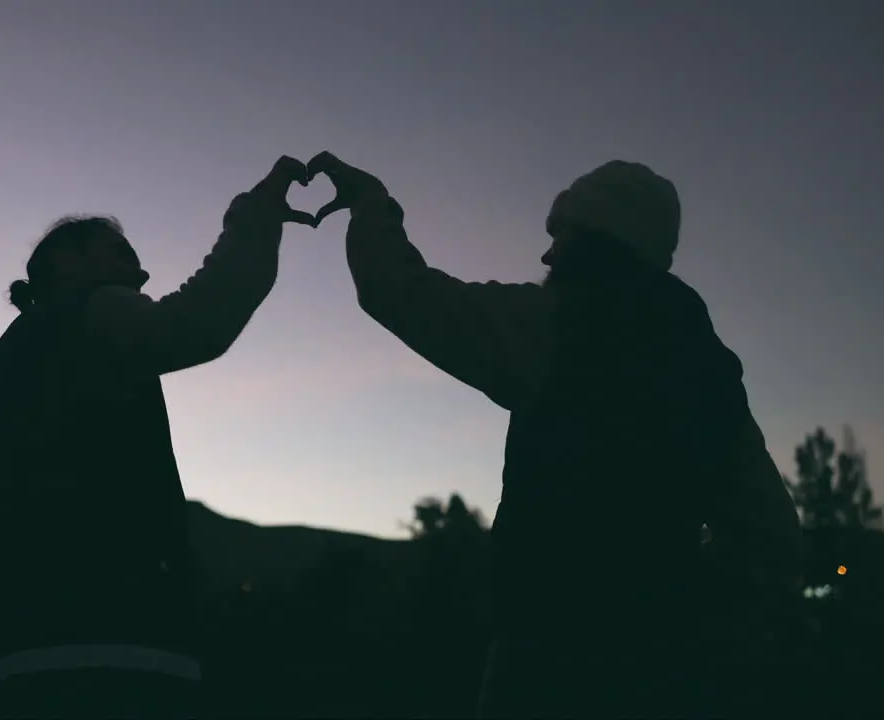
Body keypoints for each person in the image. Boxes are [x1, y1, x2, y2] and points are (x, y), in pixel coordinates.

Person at [307, 152, 805, 717]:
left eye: (560, 234)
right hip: (670, 675)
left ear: (591, 240)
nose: (546, 252)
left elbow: (398, 290)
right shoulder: (706, 369)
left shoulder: (557, 328)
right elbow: (772, 540)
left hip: (543, 664)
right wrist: (690, 622)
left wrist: (371, 203)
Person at [0, 157, 316, 719]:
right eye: (118, 253)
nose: (139, 275)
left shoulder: (7, 368)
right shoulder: (92, 310)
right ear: (64, 263)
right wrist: (256, 216)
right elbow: (199, 322)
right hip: (98, 656)